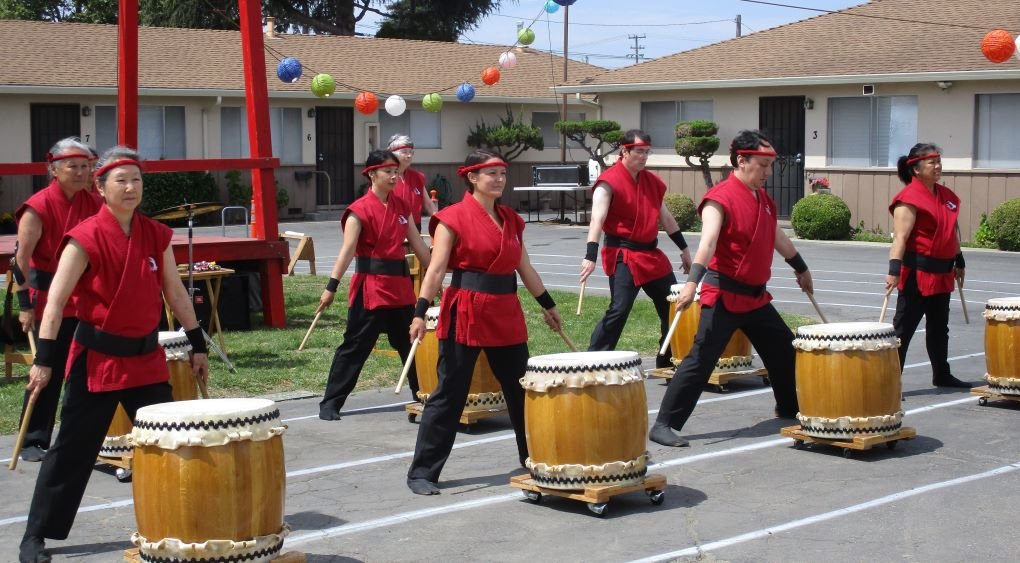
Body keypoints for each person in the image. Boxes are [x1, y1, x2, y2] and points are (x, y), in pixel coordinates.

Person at [19, 146, 210, 563]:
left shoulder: (156, 235)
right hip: (98, 362)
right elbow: (55, 303)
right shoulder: (84, 237)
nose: (130, 188)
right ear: (100, 188)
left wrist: (197, 343)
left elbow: (175, 293)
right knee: (72, 450)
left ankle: (179, 521)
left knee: (170, 445)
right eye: (120, 180)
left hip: (146, 360)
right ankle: (35, 536)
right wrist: (44, 360)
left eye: (137, 180)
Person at [405, 150, 563, 495]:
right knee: (450, 393)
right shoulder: (451, 218)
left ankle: (535, 458)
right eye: (491, 174)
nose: (499, 179)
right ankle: (422, 472)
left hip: (505, 309)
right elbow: (434, 269)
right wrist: (419, 311)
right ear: (472, 178)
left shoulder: (511, 219)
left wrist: (547, 305)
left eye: (502, 173)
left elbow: (525, 267)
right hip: (466, 309)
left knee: (522, 389)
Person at [650, 130, 814, 448]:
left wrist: (801, 267)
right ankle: (664, 423)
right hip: (723, 293)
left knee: (784, 348)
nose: (768, 173)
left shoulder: (764, 200)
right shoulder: (719, 198)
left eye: (770, 166)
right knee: (701, 358)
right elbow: (708, 243)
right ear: (741, 160)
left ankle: (788, 407)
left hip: (755, 296)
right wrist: (691, 284)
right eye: (763, 165)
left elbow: (778, 238)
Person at [318, 150, 431, 420]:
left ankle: (423, 396)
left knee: (411, 343)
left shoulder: (402, 207)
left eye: (396, 171)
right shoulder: (358, 211)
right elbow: (347, 251)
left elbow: (418, 246)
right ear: (372, 174)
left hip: (400, 288)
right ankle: (330, 403)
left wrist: (438, 274)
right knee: (355, 346)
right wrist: (331, 287)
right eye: (388, 171)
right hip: (370, 289)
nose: (394, 176)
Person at [12, 137, 102, 463]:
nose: (81, 173)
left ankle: (76, 436)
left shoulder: (93, 203)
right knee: (46, 369)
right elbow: (19, 261)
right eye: (73, 167)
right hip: (47, 299)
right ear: (54, 169)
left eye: (86, 167)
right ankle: (33, 438)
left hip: (85, 296)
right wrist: (23, 307)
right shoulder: (37, 207)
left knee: (83, 372)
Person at [579, 129, 692, 369]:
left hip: (651, 255)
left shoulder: (651, 182)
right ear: (624, 151)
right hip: (624, 254)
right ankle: (593, 361)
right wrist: (590, 256)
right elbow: (597, 220)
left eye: (646, 152)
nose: (643, 156)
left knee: (673, 304)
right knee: (619, 309)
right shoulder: (608, 182)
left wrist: (684, 249)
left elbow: (667, 218)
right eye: (639, 151)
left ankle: (668, 357)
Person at [886, 143, 970, 388]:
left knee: (938, 328)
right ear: (916, 169)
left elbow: (950, 229)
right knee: (903, 331)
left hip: (942, 273)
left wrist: (959, 259)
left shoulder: (945, 196)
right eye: (932, 162)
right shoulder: (909, 198)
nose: (938, 166)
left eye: (938, 162)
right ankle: (890, 383)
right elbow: (900, 236)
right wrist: (893, 271)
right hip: (917, 274)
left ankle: (941, 374)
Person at [388, 134, 438, 232]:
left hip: (415, 226)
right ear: (393, 154)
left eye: (411, 152)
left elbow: (428, 204)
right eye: (404, 152)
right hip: (392, 226)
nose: (409, 155)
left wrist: (439, 220)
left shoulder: (417, 177)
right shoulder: (386, 176)